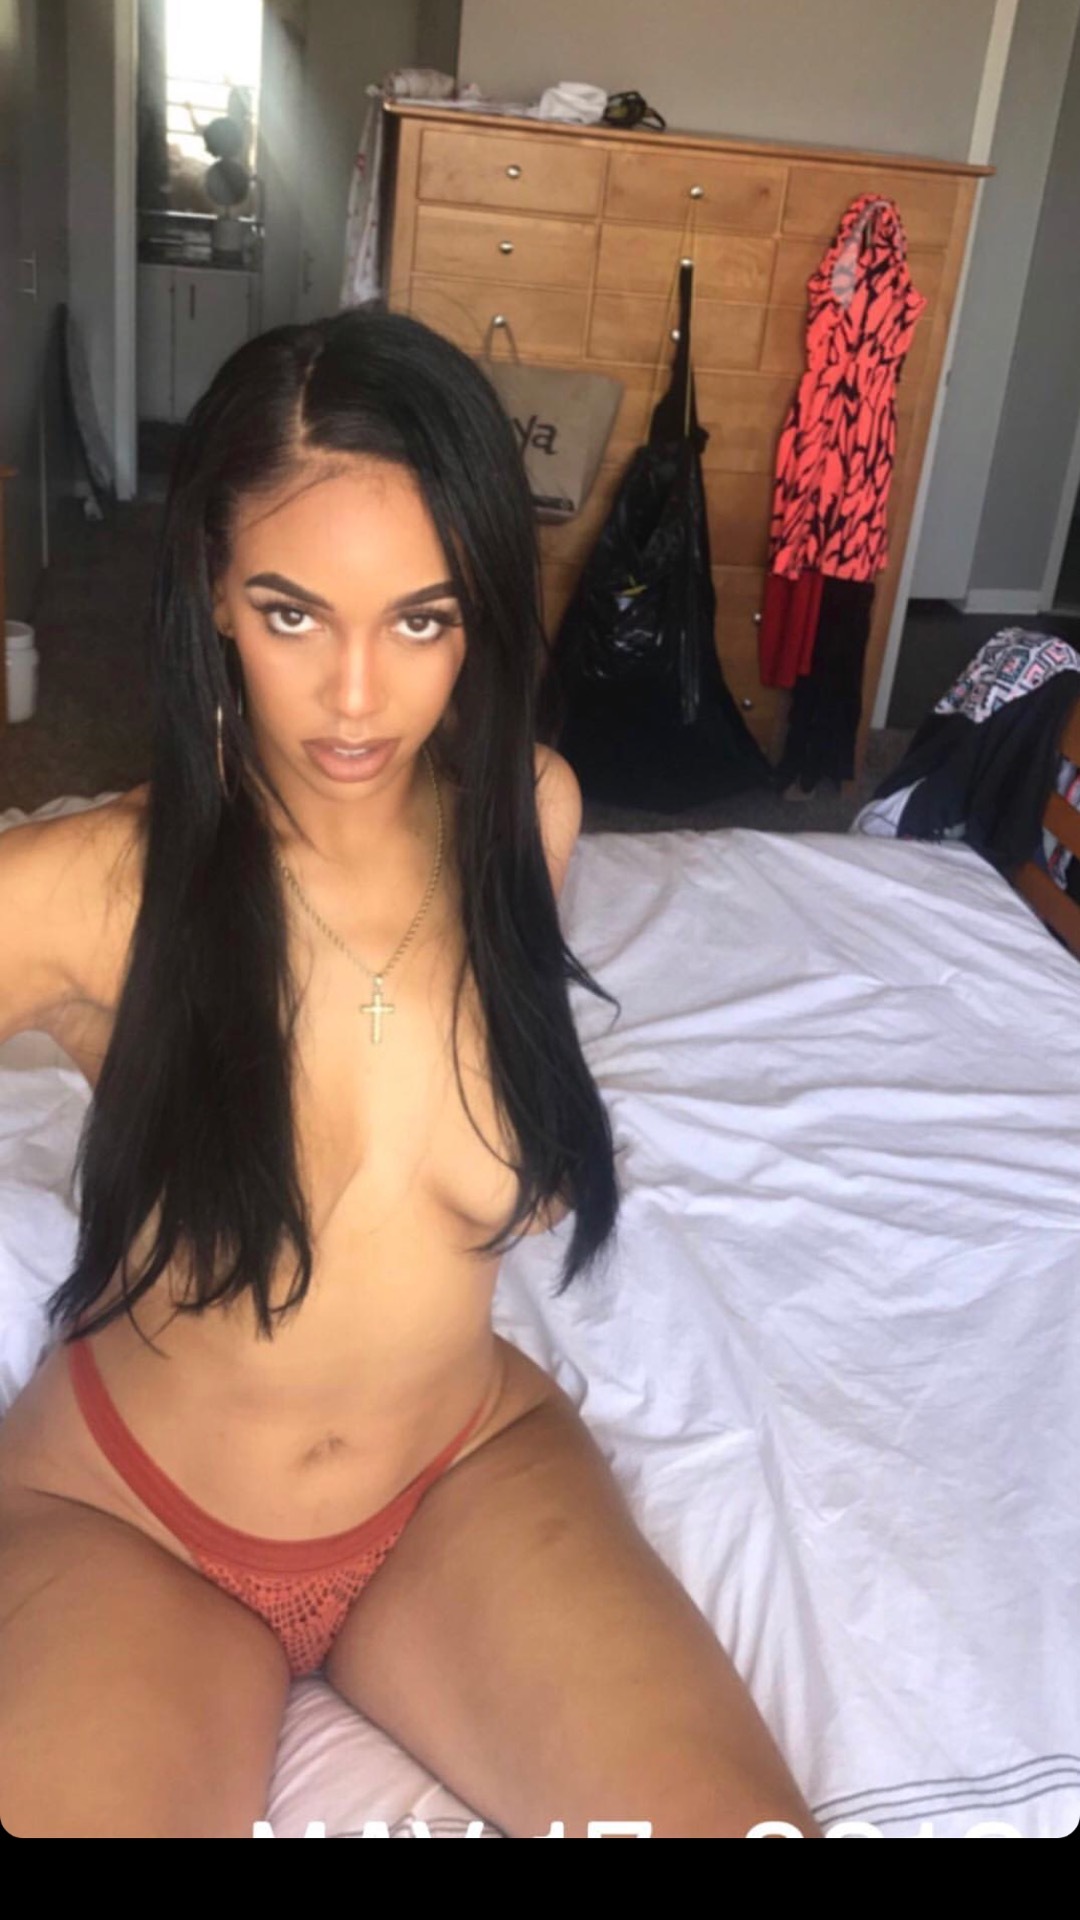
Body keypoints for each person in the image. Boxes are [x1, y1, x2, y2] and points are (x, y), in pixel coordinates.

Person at [0, 307, 819, 1840]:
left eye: (422, 620)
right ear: (214, 590)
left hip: (459, 1477)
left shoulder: (527, 812)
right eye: (294, 614)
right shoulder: (97, 888)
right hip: (133, 1524)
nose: (360, 699)